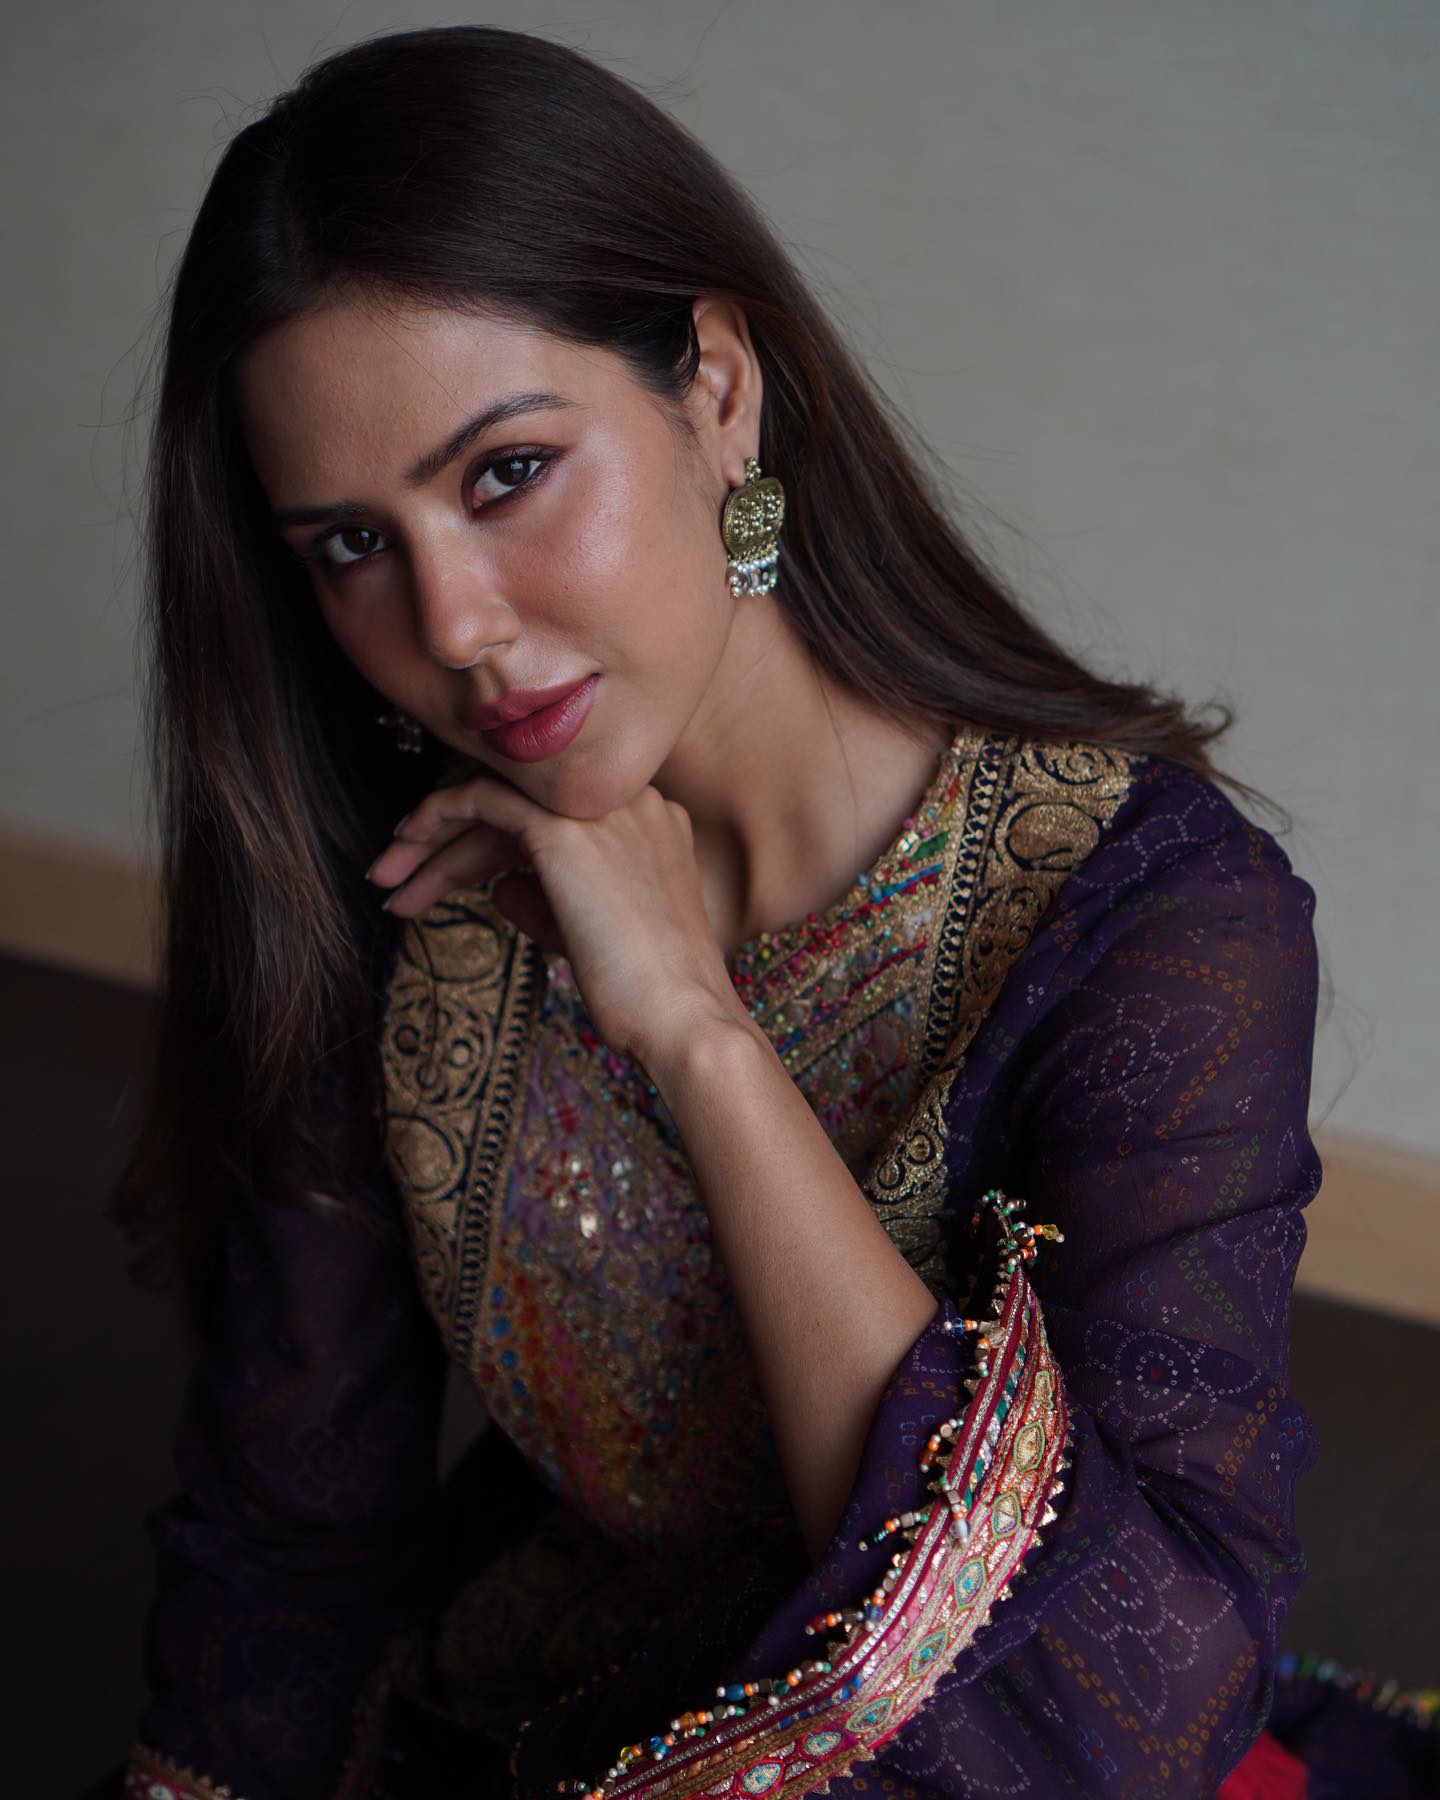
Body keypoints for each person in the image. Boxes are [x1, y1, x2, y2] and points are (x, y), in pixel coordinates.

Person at [102, 24, 1435, 1800]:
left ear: (718, 388)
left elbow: (1125, 1714)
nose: (456, 625)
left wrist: (698, 1036)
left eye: (505, 474)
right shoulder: (407, 896)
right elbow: (287, 1550)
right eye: (353, 544)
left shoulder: (1149, 921)